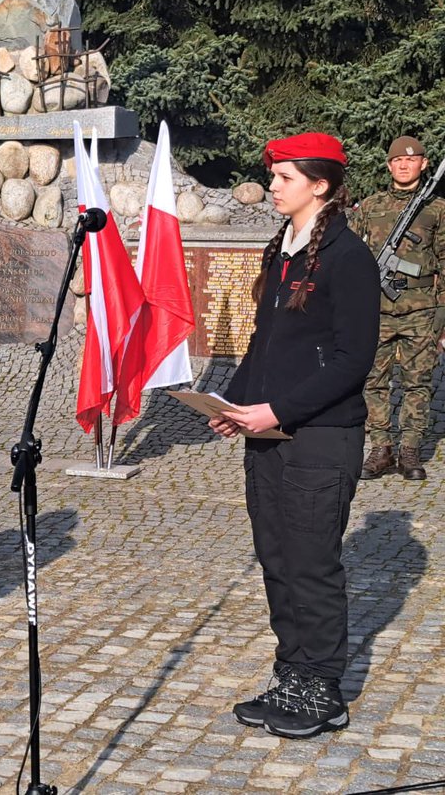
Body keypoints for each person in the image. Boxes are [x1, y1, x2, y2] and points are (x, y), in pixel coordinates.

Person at [210, 133, 379, 739]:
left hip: (320, 436)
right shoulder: (278, 250)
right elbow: (265, 342)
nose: (274, 185)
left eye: (285, 177)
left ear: (321, 184)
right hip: (268, 435)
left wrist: (276, 408)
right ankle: (293, 675)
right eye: (275, 175)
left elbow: (351, 359)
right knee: (277, 561)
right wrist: (233, 404)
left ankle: (323, 691)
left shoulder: (348, 257)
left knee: (312, 565)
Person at [351, 135, 445, 481]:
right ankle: (381, 448)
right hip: (375, 310)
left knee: (418, 381)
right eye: (397, 160)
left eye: (412, 159)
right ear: (389, 165)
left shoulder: (437, 209)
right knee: (374, 380)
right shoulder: (371, 206)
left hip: (421, 311)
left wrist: (443, 312)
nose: (404, 165)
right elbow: (350, 256)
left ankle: (409, 450)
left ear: (423, 164)